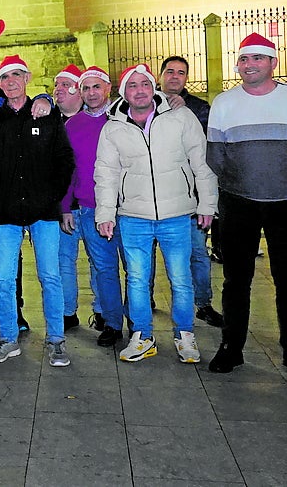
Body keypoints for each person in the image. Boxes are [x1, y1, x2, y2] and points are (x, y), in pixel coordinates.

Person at [207, 33, 287, 378]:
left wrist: (286, 179)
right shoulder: (224, 103)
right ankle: (231, 347)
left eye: (257, 58)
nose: (250, 65)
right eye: (244, 59)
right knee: (235, 280)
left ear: (273, 62)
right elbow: (215, 156)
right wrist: (241, 182)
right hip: (238, 203)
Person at [95, 64, 218, 364]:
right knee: (137, 279)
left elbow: (202, 162)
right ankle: (143, 336)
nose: (139, 90)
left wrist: (207, 204)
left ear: (153, 87)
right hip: (133, 216)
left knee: (181, 278)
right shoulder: (113, 127)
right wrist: (105, 214)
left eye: (144, 84)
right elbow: (106, 173)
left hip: (176, 215)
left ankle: (184, 334)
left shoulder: (181, 116)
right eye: (132, 85)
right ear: (124, 92)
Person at [0, 55, 73, 367]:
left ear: (27, 78)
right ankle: (8, 338)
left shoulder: (46, 116)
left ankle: (56, 340)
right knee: (3, 279)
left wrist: (50, 197)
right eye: (5, 77)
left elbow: (64, 161)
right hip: (5, 214)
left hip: (44, 212)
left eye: (17, 75)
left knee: (50, 276)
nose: (11, 81)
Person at [158, 56, 225, 326]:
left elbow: (207, 152)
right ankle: (144, 300)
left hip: (190, 198)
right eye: (170, 71)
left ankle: (203, 303)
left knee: (197, 252)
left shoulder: (199, 108)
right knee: (145, 256)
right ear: (160, 75)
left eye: (181, 72)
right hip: (150, 198)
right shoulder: (143, 103)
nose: (175, 76)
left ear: (187, 78)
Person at [60, 66, 124, 347]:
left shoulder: (123, 118)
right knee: (104, 269)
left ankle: (139, 324)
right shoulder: (73, 125)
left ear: (108, 88)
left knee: (136, 271)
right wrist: (65, 206)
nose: (91, 93)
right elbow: (69, 170)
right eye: (86, 88)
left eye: (96, 87)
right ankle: (112, 323)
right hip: (90, 209)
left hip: (129, 209)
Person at [52, 65, 85, 330]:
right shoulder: (49, 120)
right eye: (56, 85)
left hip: (92, 203)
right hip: (63, 205)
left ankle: (103, 312)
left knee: (101, 263)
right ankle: (67, 311)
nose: (58, 89)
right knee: (64, 261)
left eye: (65, 84)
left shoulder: (98, 118)